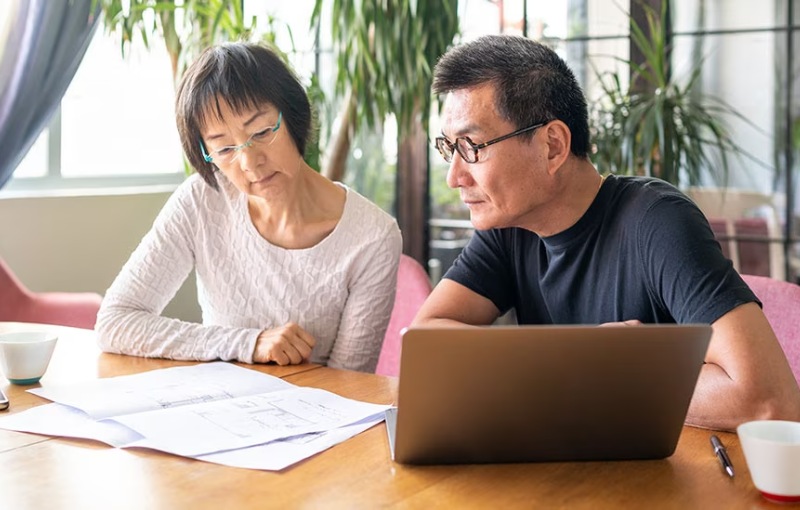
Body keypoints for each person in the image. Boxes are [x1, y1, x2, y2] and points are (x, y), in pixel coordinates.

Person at [412, 34, 800, 431]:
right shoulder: (510, 228)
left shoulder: (656, 222)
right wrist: (579, 364)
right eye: (450, 148)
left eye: (473, 147)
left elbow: (768, 401)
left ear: (552, 146)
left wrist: (600, 376)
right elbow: (426, 340)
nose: (454, 177)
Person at [96, 42, 402, 373]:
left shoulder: (372, 237)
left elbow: (350, 386)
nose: (250, 163)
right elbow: (116, 321)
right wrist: (247, 344)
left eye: (262, 132)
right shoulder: (202, 200)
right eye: (225, 148)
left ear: (293, 116)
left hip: (313, 417)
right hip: (217, 410)